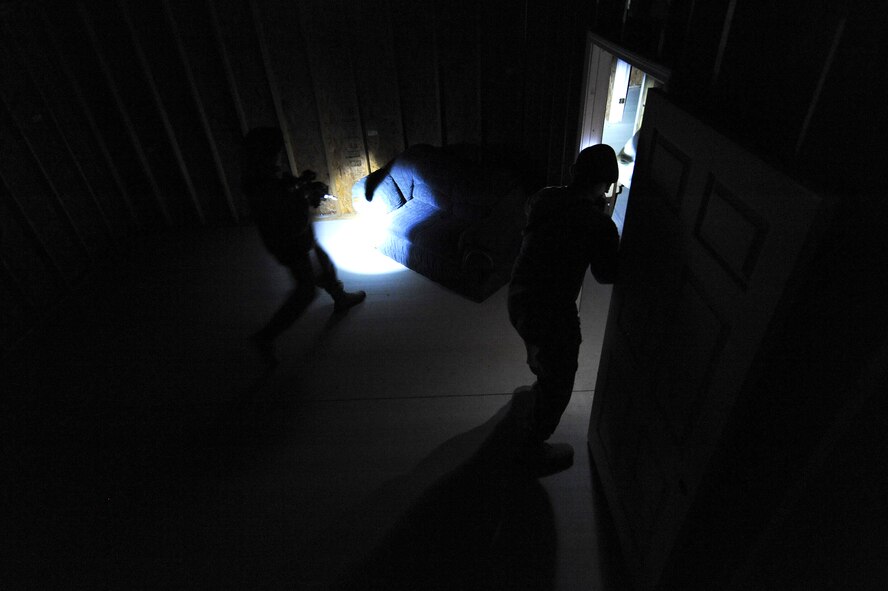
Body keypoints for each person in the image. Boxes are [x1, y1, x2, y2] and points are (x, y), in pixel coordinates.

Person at [507, 144, 620, 476]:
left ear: (574, 172)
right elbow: (606, 274)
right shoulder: (598, 224)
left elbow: (558, 217)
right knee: (561, 380)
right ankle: (531, 450)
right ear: (606, 184)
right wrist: (604, 224)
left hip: (519, 296)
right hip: (551, 311)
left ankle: (538, 370)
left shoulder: (544, 197)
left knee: (542, 350)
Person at [242, 127, 365, 366]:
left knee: (323, 262)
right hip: (290, 243)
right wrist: (307, 199)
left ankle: (339, 297)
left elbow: (284, 193)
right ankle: (265, 337)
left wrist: (300, 185)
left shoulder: (261, 176)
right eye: (275, 153)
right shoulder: (263, 186)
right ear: (265, 154)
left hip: (293, 239)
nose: (279, 158)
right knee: (306, 290)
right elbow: (291, 220)